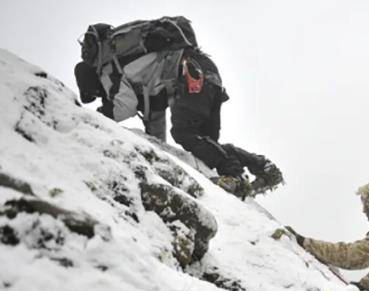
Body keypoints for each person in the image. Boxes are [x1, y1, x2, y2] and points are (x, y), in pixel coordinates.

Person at [74, 19, 282, 199]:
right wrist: (158, 154)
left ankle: (236, 177)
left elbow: (125, 108)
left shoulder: (109, 70)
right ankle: (263, 167)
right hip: (204, 70)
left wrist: (99, 118)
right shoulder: (139, 70)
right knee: (205, 147)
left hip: (190, 74)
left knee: (184, 133)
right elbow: (155, 122)